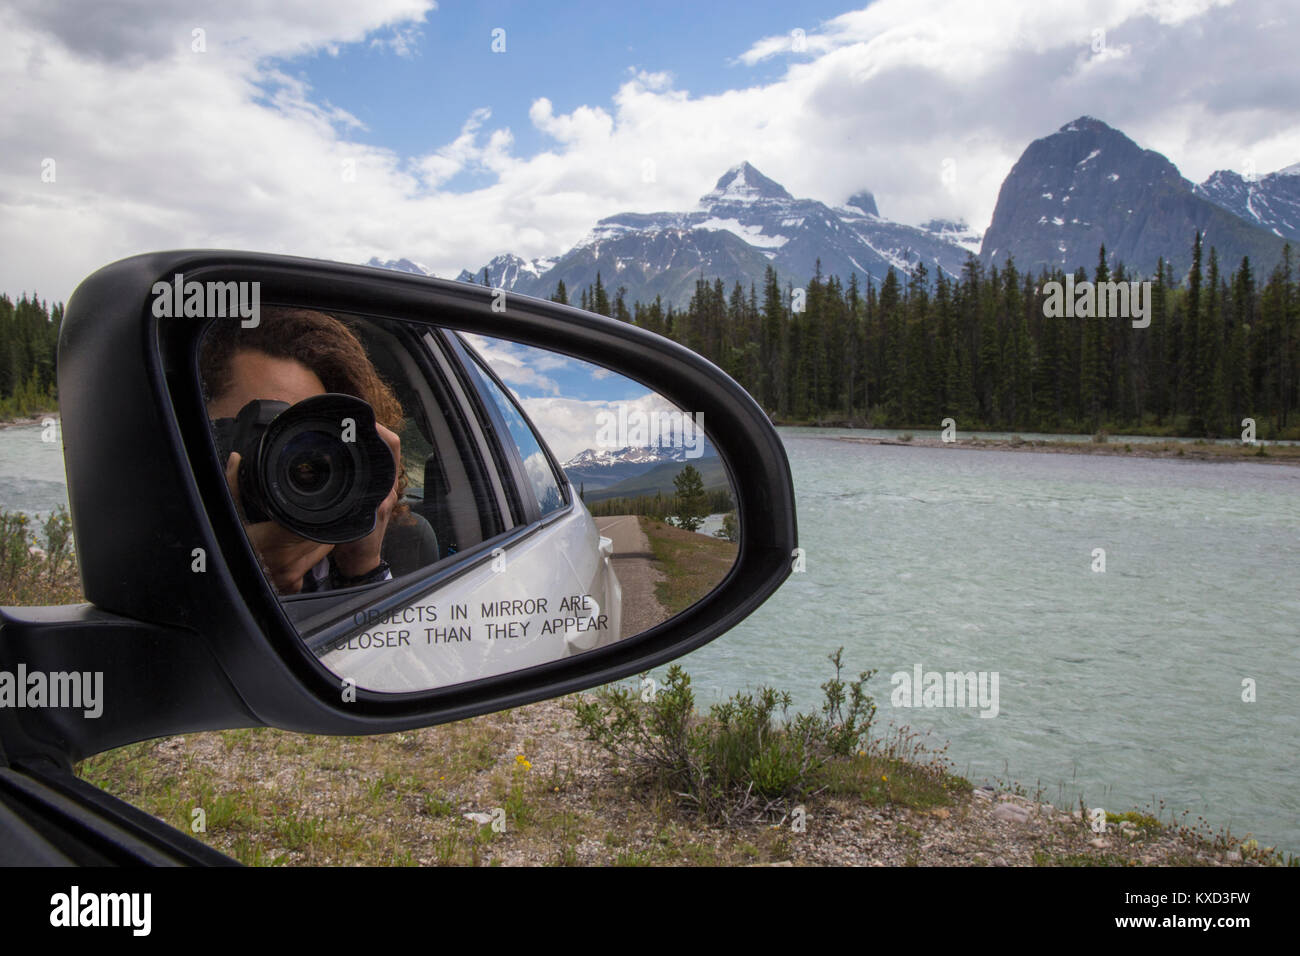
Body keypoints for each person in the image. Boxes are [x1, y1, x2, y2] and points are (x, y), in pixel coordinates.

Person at [200, 307, 436, 594]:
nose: (294, 461)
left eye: (312, 439)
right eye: (259, 431)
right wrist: (226, 578)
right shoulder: (169, 543)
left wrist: (362, 570)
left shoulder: (396, 543)